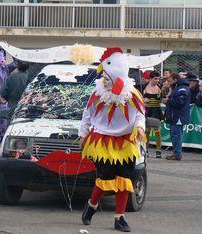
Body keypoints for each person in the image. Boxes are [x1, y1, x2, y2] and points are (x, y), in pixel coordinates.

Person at [79, 47, 145, 232]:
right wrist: (83, 134)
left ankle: (119, 218)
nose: (104, 79)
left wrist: (140, 127)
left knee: (125, 180)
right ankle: (91, 205)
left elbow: (140, 115)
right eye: (103, 75)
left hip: (125, 142)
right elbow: (87, 113)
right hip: (103, 141)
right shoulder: (98, 93)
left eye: (107, 75)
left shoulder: (132, 95)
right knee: (105, 180)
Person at [162, 73, 190, 161]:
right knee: (176, 135)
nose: (169, 82)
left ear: (175, 80)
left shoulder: (181, 89)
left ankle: (177, 154)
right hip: (176, 115)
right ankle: (176, 153)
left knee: (176, 136)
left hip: (178, 117)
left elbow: (180, 102)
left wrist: (168, 100)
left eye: (170, 80)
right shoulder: (179, 88)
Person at [143, 71, 163, 158]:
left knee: (157, 132)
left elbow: (164, 99)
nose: (157, 80)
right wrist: (143, 100)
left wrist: (162, 98)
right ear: (150, 78)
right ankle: (145, 150)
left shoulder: (160, 88)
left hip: (156, 111)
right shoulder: (143, 87)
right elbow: (139, 98)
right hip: (147, 111)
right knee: (146, 131)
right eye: (155, 78)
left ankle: (158, 150)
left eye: (158, 79)